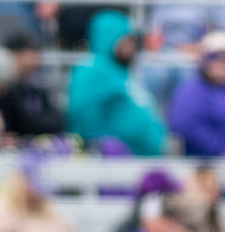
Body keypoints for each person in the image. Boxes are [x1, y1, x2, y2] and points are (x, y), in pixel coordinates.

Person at [67, 11, 168, 156]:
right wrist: (107, 147)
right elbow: (83, 114)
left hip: (139, 159)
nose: (131, 46)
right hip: (112, 162)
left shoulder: (120, 71)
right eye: (126, 39)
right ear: (109, 37)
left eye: (132, 40)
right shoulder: (92, 70)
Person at [0, 35, 65, 138]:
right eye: (32, 50)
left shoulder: (36, 89)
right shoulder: (5, 89)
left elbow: (56, 120)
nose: (38, 55)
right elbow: (23, 123)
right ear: (16, 54)